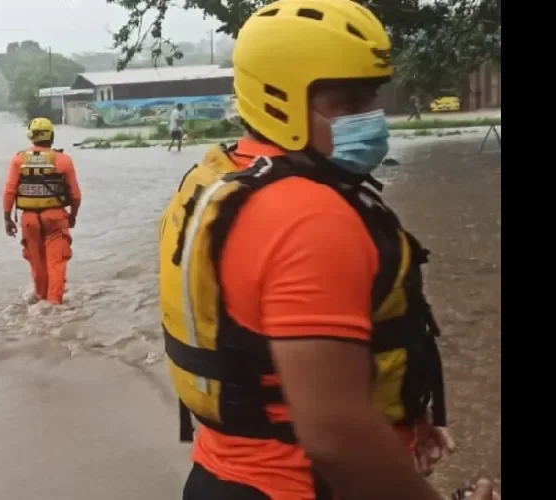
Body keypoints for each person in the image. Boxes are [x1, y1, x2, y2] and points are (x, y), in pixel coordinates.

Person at [158, 1, 461, 499]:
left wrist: (405, 419)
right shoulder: (310, 218)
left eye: (371, 97)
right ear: (278, 99)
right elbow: (337, 438)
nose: (371, 118)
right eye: (347, 103)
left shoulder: (219, 179)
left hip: (221, 473)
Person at [3, 117, 82, 305]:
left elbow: (9, 191)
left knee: (37, 263)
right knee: (56, 262)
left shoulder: (18, 160)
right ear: (52, 136)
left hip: (29, 220)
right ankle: (54, 305)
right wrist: (73, 215)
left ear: (31, 137)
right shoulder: (63, 160)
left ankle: (40, 298)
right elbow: (76, 195)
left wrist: (7, 218)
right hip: (55, 218)